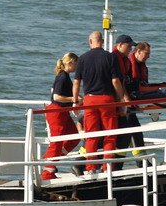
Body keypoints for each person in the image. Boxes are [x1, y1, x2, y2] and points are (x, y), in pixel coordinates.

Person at [72, 31, 129, 174]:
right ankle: (107, 165)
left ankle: (91, 167)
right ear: (102, 41)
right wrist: (121, 99)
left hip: (89, 99)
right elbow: (115, 81)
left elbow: (76, 82)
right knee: (110, 134)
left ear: (90, 41)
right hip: (106, 100)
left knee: (91, 134)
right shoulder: (110, 57)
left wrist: (75, 102)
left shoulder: (83, 59)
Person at [41, 53, 81, 181]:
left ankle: (51, 158)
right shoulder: (63, 77)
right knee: (57, 142)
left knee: (74, 136)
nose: (77, 67)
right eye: (76, 64)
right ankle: (47, 172)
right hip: (56, 112)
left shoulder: (64, 76)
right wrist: (74, 99)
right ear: (70, 63)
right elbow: (57, 97)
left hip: (63, 111)